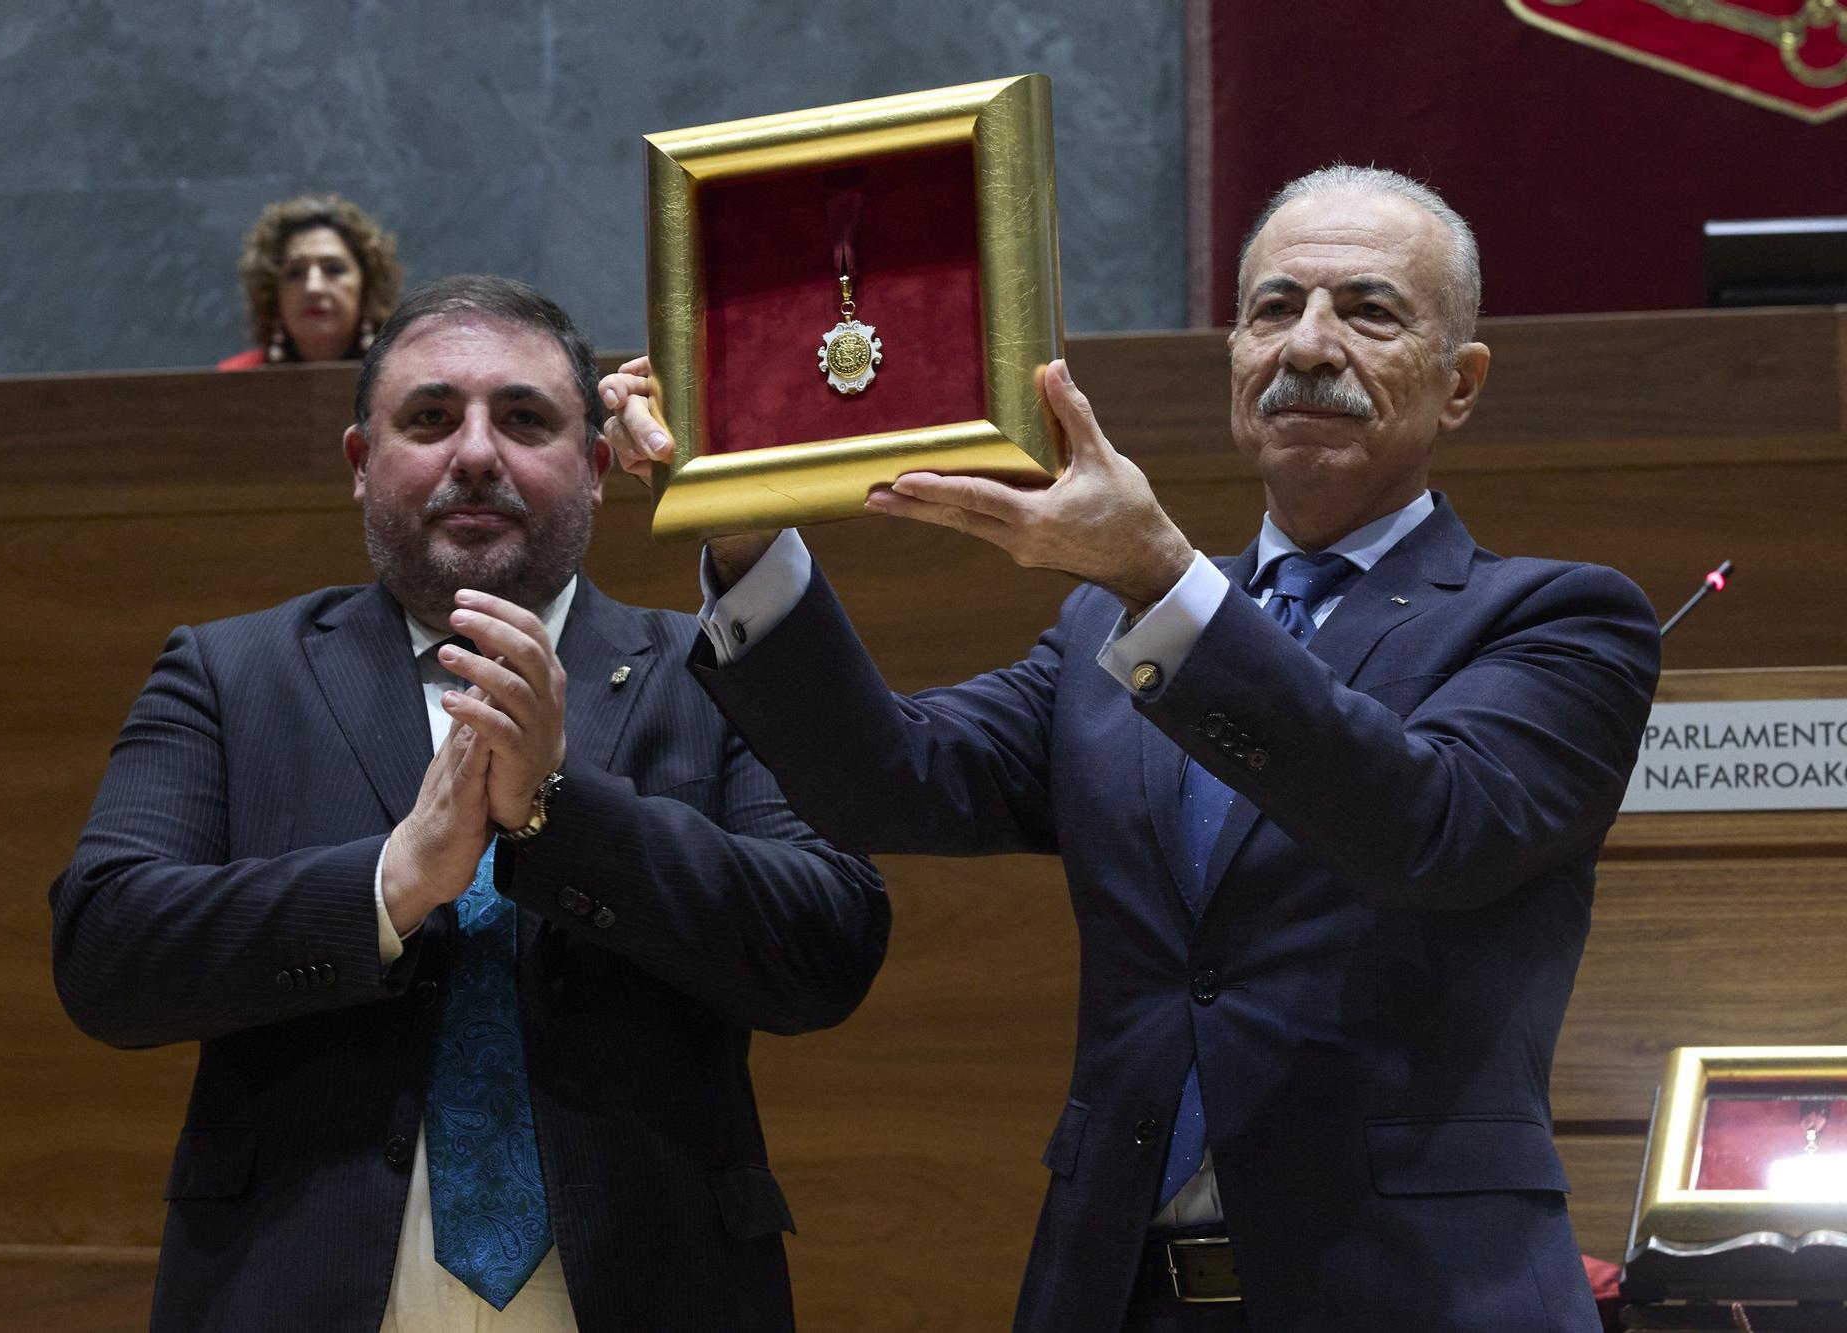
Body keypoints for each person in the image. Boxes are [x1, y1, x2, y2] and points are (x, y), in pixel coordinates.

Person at [602, 166, 1660, 1331]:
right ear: (1233, 359)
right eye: (1271, 309)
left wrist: (1160, 577)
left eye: (1366, 310)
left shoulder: (1556, 618)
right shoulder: (1108, 627)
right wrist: (746, 535)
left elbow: (1428, 830)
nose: (1306, 345)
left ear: (1458, 384)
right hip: (1114, 1292)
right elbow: (884, 781)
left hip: (1420, 1291)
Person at [53, 274, 889, 1332]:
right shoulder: (229, 674)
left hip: (652, 1281)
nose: (478, 452)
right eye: (431, 417)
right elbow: (104, 954)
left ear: (594, 466)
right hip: (295, 1288)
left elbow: (828, 947)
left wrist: (558, 811)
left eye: (526, 417)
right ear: (363, 465)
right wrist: (390, 884)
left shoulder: (711, 669)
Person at [218, 192, 403, 369]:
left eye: (334, 269)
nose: (313, 287)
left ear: (367, 286)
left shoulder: (402, 377)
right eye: (295, 273)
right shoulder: (228, 384)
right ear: (273, 293)